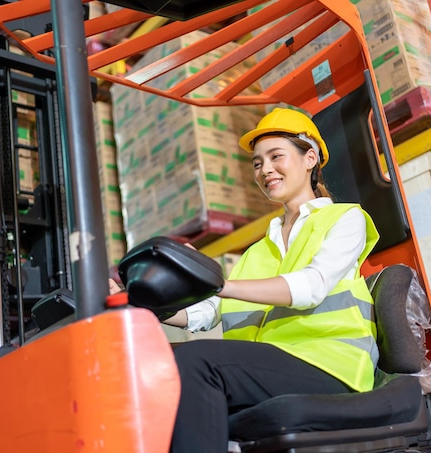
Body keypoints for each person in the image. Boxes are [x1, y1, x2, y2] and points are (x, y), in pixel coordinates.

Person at [109, 108, 380, 453]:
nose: (265, 169)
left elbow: (311, 287)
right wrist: (138, 300)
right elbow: (204, 313)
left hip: (331, 364)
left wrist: (221, 284)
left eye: (275, 156)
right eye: (257, 163)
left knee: (197, 362)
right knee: (156, 369)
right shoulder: (257, 252)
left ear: (310, 158)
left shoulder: (345, 220)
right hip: (274, 365)